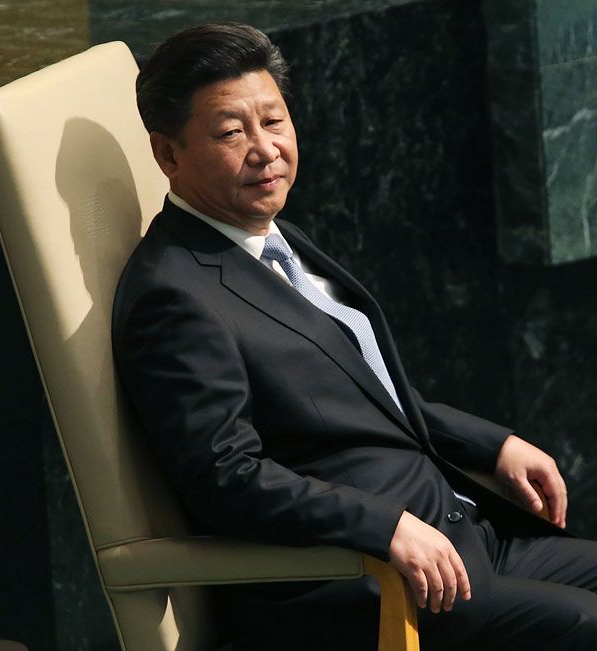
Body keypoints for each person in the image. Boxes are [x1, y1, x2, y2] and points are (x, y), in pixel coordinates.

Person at [111, 23, 597, 650]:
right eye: (232, 132)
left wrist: (493, 443)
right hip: (363, 575)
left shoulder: (265, 234)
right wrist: (381, 525)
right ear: (167, 155)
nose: (265, 150)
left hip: (459, 531)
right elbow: (225, 477)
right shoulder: (172, 295)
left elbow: (361, 396)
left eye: (274, 122)